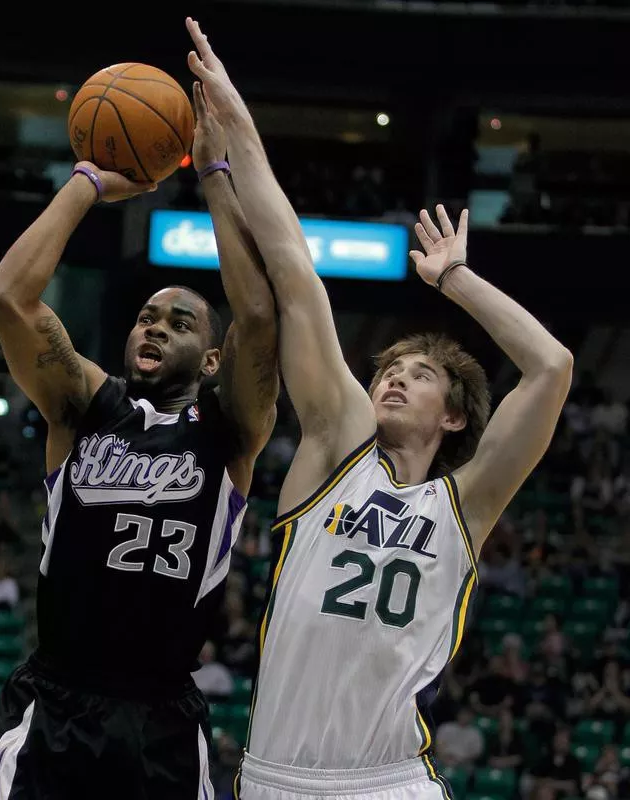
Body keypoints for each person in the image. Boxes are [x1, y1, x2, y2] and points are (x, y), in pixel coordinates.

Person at [186, 16, 572, 800]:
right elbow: (296, 270)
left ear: (455, 417)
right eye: (387, 368)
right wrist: (240, 133)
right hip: (272, 778)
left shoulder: (464, 505)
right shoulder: (333, 448)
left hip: (390, 782)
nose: (392, 378)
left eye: (419, 374)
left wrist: (456, 281)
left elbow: (552, 366)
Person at [0, 82, 278, 799]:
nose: (155, 325)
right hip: (54, 701)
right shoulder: (85, 404)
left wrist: (213, 178)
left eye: (179, 322)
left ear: (211, 361)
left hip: (161, 717)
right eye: (147, 316)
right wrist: (86, 181)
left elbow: (261, 317)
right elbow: (7, 299)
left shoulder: (229, 431)